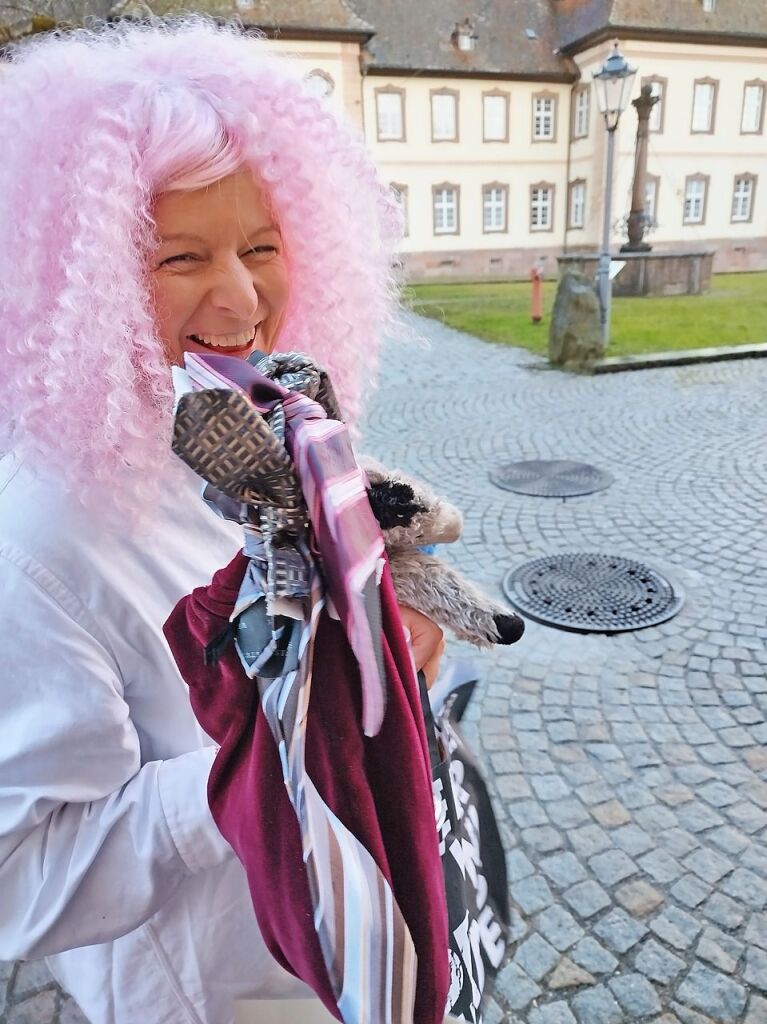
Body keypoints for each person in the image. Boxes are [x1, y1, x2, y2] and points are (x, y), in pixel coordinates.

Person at [0, 18, 445, 1024]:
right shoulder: (39, 540)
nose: (241, 296)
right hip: (217, 994)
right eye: (180, 257)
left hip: (344, 941)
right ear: (85, 283)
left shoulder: (276, 420)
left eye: (261, 245)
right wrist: (275, 753)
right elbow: (21, 880)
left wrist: (388, 638)